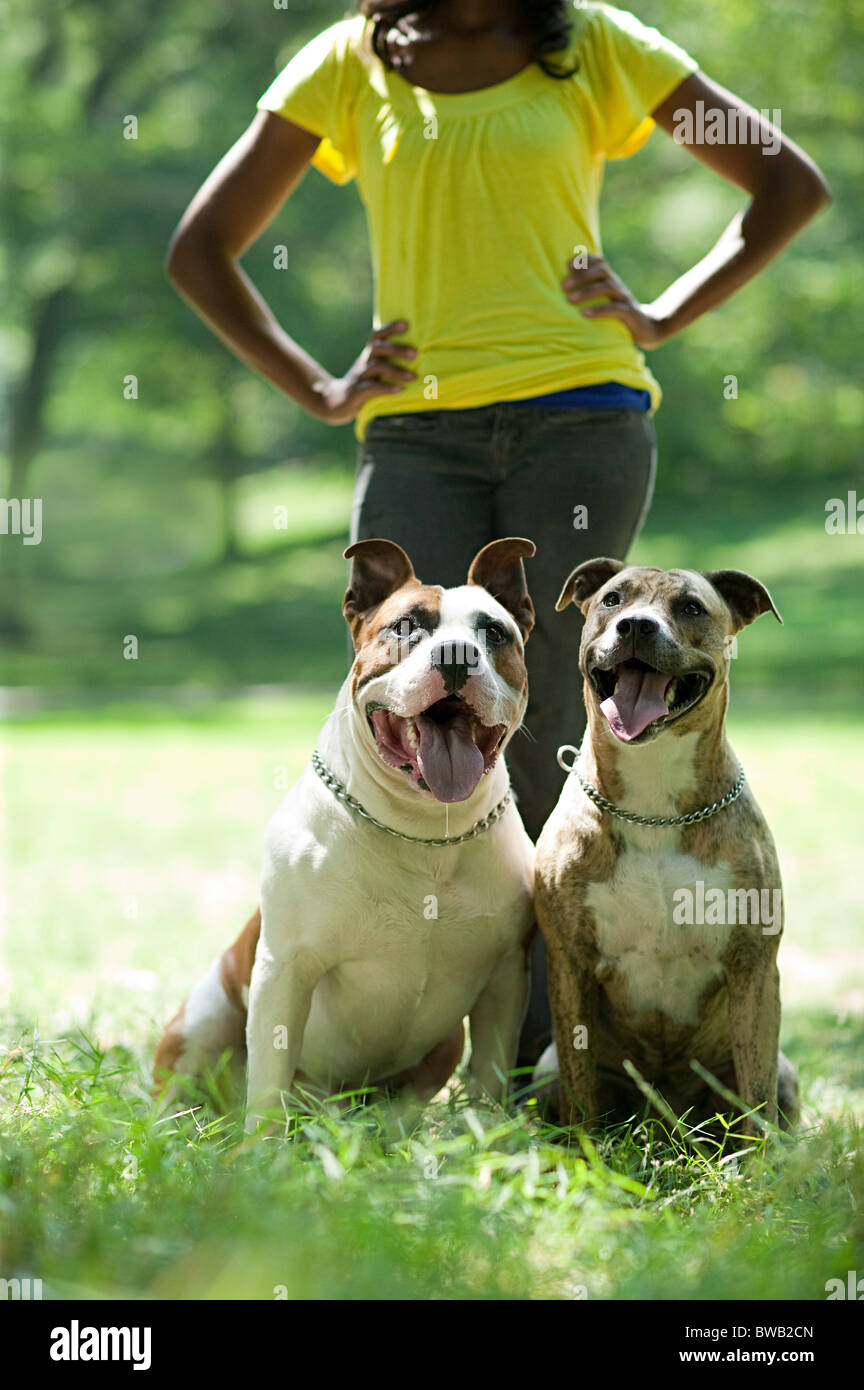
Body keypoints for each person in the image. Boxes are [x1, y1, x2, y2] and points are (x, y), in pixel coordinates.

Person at [166, 1, 830, 1066]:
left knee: (552, 721)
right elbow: (201, 247)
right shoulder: (349, 63)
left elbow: (785, 184)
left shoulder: (599, 49)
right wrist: (321, 388)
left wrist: (660, 315)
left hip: (585, 423)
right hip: (416, 435)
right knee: (399, 698)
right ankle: (374, 1034)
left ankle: (533, 1064)